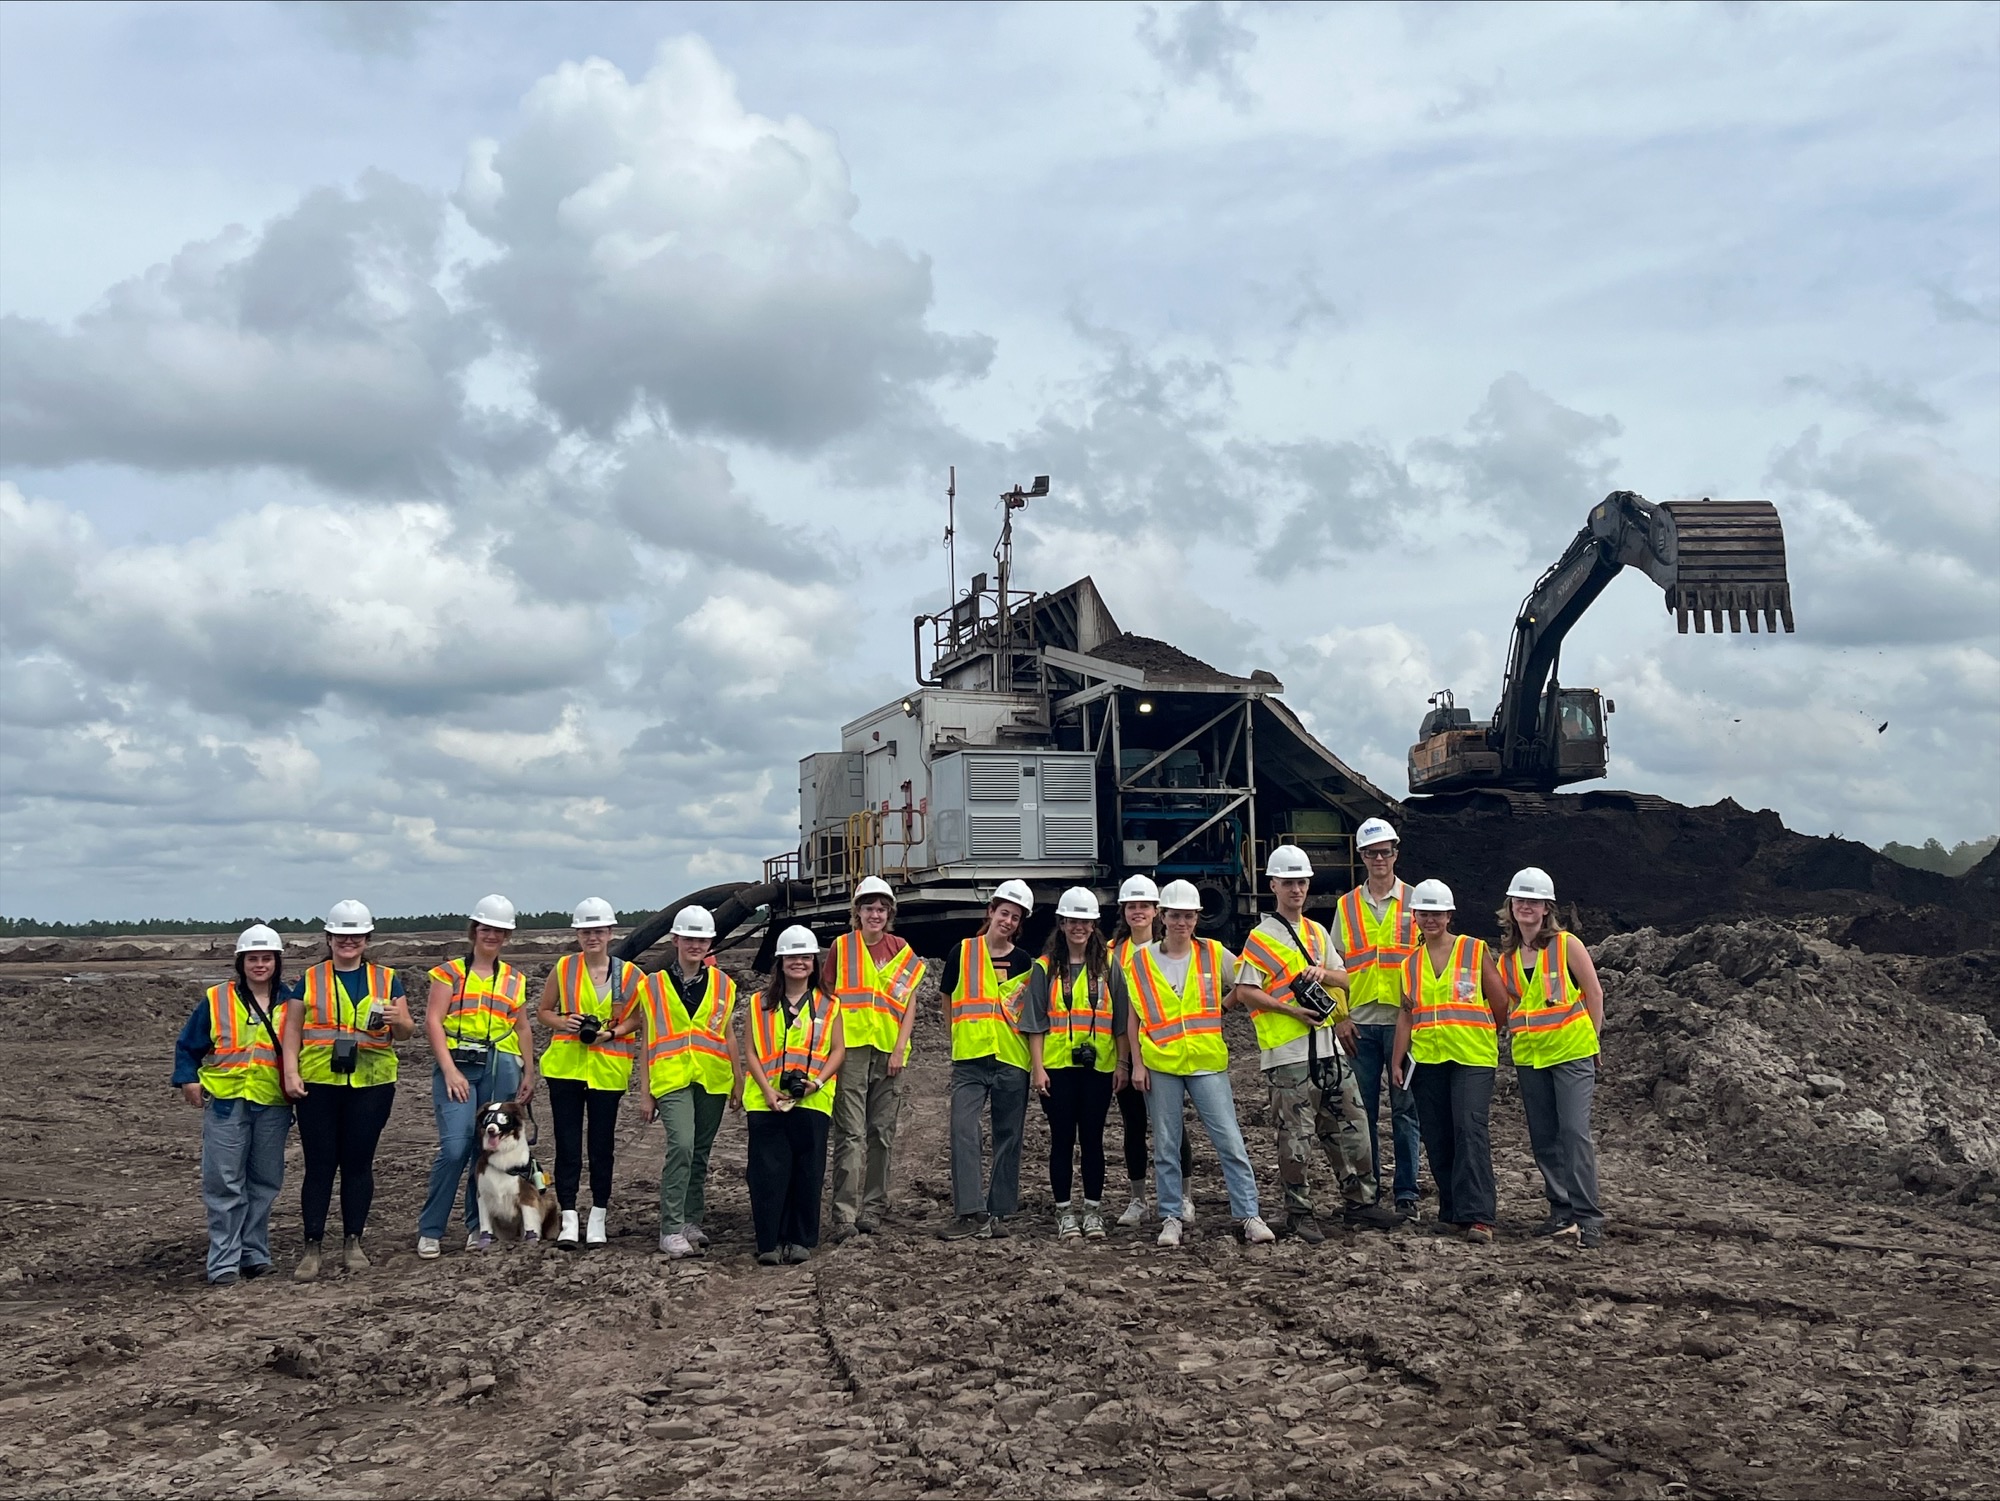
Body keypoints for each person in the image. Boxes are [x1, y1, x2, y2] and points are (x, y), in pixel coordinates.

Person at [1232, 845, 1397, 1241]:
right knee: (1296, 1137)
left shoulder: (1317, 932)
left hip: (1328, 1049)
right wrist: (1291, 1012)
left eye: (1302, 882)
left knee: (1352, 1127)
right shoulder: (1261, 937)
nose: (1296, 889)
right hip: (1287, 1054)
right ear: (1273, 885)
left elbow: (1347, 980)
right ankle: (1298, 1211)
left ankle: (1361, 1203)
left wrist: (1323, 974)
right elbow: (1244, 992)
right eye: (1289, 882)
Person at [1123, 879, 1276, 1248]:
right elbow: (1134, 1016)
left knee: (1229, 1140)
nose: (1182, 923)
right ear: (1163, 916)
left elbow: (1246, 982)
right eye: (1176, 916)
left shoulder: (1213, 953)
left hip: (1207, 1061)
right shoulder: (1140, 960)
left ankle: (1249, 1214)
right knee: (1166, 1145)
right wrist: (1137, 1064)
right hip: (1161, 1063)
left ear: (1197, 918)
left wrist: (1224, 1006)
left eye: (1189, 917)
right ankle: (1171, 1217)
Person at [281, 899, 414, 1280]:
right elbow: (292, 1030)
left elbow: (405, 1033)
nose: (348, 942)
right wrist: (291, 1072)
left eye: (355, 936)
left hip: (371, 1085)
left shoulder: (388, 980)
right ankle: (312, 1247)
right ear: (329, 938)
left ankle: (353, 1241)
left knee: (358, 1164)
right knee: (319, 1165)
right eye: (341, 935)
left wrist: (399, 1019)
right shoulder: (309, 978)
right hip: (319, 1084)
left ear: (367, 939)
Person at [171, 924, 300, 1284]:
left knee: (264, 1182)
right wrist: (188, 1078)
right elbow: (189, 1044)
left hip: (272, 1103)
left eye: (267, 959)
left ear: (277, 962)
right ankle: (224, 1263)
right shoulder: (217, 999)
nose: (260, 965)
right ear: (241, 962)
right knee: (225, 1183)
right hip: (227, 1102)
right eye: (253, 959)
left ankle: (254, 1254)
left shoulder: (294, 1003)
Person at [1390, 880, 1509, 1243]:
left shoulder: (1473, 950)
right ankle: (1452, 1211)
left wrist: (1487, 1031)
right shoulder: (1410, 964)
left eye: (1437, 913)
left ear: (1449, 915)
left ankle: (1478, 1216)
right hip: (1428, 1059)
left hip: (1472, 1057)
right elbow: (1406, 1015)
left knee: (1470, 1130)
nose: (1430, 919)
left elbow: (1500, 1001)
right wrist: (1397, 1061)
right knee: (1438, 1134)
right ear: (1415, 917)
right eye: (1424, 913)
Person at [417, 895, 536, 1257]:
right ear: (474, 930)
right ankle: (431, 1229)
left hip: (501, 1063)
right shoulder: (449, 973)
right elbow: (433, 1020)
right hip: (458, 1064)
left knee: (488, 1148)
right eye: (486, 928)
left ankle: (476, 1226)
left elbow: (522, 1026)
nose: (492, 936)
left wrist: (529, 1069)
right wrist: (449, 1070)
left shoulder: (515, 979)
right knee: (455, 1148)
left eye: (500, 931)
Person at [1496, 867, 1607, 1248]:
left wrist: (1594, 1042)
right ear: (1511, 906)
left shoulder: (1566, 945)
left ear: (1546, 908)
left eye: (1534, 901)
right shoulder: (1507, 957)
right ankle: (1561, 1210)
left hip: (1572, 1052)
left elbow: (1594, 994)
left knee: (1574, 1134)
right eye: (1520, 900)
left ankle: (1588, 1215)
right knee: (1544, 1138)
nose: (1526, 907)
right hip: (1531, 1058)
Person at [536, 897, 646, 1251]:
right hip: (566, 1068)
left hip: (608, 1070)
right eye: (585, 931)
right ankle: (569, 1216)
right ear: (578, 934)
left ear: (610, 933)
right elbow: (543, 1012)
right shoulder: (564, 968)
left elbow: (637, 1018)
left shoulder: (630, 975)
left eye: (598, 930)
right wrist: (564, 1022)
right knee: (567, 1146)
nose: (592, 936)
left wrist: (612, 1033)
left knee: (602, 1147)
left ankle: (598, 1215)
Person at [1019, 887, 1129, 1240]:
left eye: (1085, 921)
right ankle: (1065, 1211)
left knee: (1094, 1140)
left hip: (1098, 1069)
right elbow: (1035, 1021)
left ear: (1094, 924)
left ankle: (1093, 1211)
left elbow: (1122, 1021)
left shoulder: (1110, 966)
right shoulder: (1044, 968)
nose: (1078, 927)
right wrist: (1038, 1069)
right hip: (1056, 1070)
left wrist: (1123, 1065)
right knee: (1062, 1140)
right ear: (1062, 924)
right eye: (1072, 921)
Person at [936, 880, 1039, 1240]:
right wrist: (956, 1035)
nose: (1008, 920)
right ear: (991, 911)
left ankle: (999, 1212)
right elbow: (947, 998)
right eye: (1004, 912)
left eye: (1015, 916)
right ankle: (969, 1211)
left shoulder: (1024, 960)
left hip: (1011, 1059)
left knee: (1008, 1135)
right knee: (963, 1131)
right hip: (970, 1059)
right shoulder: (961, 952)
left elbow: (1028, 1010)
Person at [636, 904, 740, 1258]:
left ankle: (690, 1221)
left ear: (710, 942)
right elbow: (647, 1038)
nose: (695, 944)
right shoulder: (653, 985)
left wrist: (738, 1082)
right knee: (681, 1145)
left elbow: (727, 1035)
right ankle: (670, 1227)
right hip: (671, 1077)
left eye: (702, 938)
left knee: (699, 1152)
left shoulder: (725, 985)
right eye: (689, 938)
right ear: (676, 939)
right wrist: (645, 1092)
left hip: (711, 1078)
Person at [824, 876, 925, 1239]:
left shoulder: (900, 949)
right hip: (850, 1051)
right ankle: (844, 1214)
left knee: (881, 1133)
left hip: (888, 1051)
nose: (876, 914)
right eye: (869, 907)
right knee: (850, 1133)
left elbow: (909, 1001)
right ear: (858, 912)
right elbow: (828, 998)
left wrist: (900, 1048)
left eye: (882, 908)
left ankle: (873, 1207)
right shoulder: (841, 947)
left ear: (889, 913)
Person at [1333, 817, 1423, 1221]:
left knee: (1406, 1110)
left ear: (1395, 853)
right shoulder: (1346, 906)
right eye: (1372, 853)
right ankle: (1369, 1190)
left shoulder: (1418, 900)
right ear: (1363, 857)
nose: (1379, 859)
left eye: (1385, 851)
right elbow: (1333, 966)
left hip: (1405, 1023)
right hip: (1362, 1024)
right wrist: (1340, 1017)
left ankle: (1406, 1192)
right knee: (1362, 1111)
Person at [744, 925, 846, 1266]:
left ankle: (801, 1239)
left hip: (813, 1101)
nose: (799, 963)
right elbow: (752, 1053)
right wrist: (767, 1089)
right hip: (766, 1100)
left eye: (805, 957)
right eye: (792, 957)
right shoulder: (759, 1004)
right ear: (780, 961)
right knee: (767, 1173)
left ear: (814, 962)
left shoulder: (829, 1005)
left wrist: (816, 1083)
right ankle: (769, 1242)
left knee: (807, 1172)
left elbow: (837, 1052)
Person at [1109, 875, 1192, 1228]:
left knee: (1173, 1129)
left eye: (1144, 906)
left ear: (1156, 911)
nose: (1138, 912)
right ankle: (1138, 1199)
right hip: (1127, 1054)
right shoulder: (1112, 953)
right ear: (1124, 911)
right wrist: (1123, 1061)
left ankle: (1184, 1197)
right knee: (1133, 1125)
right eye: (1132, 906)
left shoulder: (1167, 950)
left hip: (1164, 1052)